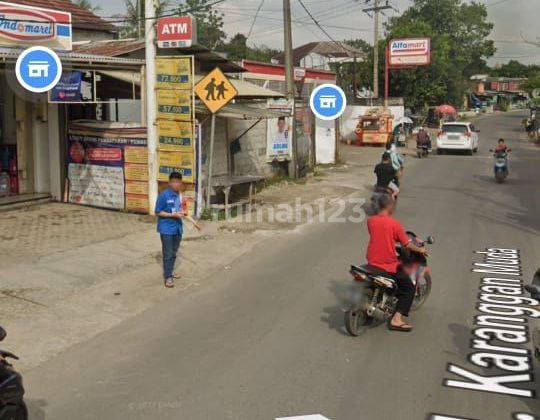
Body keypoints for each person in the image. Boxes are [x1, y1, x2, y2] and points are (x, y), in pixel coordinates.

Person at [366, 193, 427, 331]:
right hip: (387, 264)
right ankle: (396, 319)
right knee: (409, 286)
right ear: (390, 206)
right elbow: (406, 244)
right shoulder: (395, 224)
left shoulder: (371, 221)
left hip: (371, 261)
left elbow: (383, 236)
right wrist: (420, 250)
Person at [155, 172, 186, 288]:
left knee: (174, 252)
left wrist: (183, 213)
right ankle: (168, 277)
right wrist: (173, 215)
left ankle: (170, 271)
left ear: (181, 183)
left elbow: (183, 209)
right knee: (167, 253)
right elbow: (157, 212)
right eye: (173, 182)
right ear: (169, 183)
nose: (176, 184)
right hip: (166, 229)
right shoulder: (164, 195)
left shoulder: (181, 195)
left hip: (178, 228)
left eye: (178, 182)